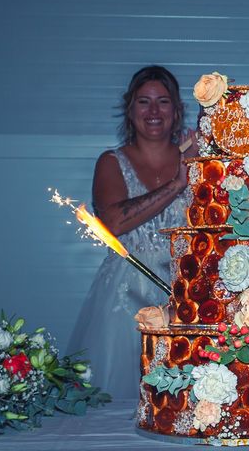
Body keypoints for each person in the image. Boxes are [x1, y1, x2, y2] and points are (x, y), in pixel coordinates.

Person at [67, 65, 197, 399]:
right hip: (126, 297)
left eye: (163, 102)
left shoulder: (199, 160)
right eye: (144, 102)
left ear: (177, 110)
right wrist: (178, 184)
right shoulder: (111, 162)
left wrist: (204, 168)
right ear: (130, 109)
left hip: (185, 295)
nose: (154, 111)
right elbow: (114, 222)